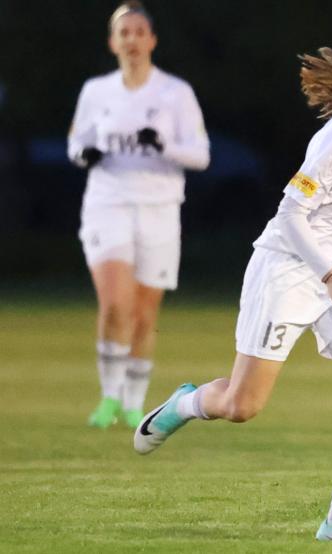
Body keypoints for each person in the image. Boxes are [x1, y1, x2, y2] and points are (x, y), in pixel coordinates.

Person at [133, 47, 332, 546]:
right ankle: (185, 405)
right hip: (290, 267)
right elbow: (290, 215)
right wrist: (327, 275)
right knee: (241, 405)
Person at [67, 0, 210, 430]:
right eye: (123, 33)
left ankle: (133, 403)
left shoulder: (174, 93)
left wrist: (162, 144)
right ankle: (108, 397)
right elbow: (77, 144)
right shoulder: (97, 92)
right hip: (108, 204)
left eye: (138, 31)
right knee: (115, 305)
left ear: (151, 40)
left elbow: (200, 155)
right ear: (113, 42)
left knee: (145, 314)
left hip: (159, 210)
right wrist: (84, 154)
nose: (131, 40)